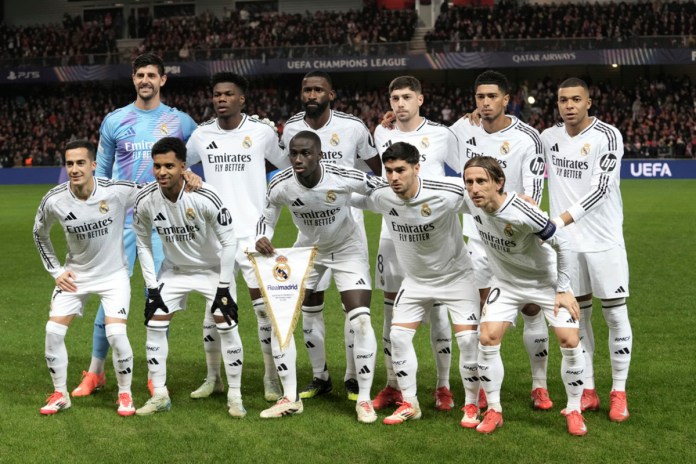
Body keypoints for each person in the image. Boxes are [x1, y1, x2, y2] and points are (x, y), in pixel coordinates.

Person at [73, 52, 198, 398]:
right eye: (139, 74)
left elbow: (198, 162)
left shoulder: (181, 123)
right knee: (111, 296)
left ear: (163, 80)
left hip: (163, 225)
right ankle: (96, 371)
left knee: (157, 296)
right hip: (121, 224)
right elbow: (101, 174)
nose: (145, 80)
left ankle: (154, 374)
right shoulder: (115, 121)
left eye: (151, 75)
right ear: (133, 79)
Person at [255, 131, 381, 423]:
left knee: (360, 319)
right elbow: (267, 214)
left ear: (319, 155)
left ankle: (363, 400)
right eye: (294, 154)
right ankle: (290, 398)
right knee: (281, 321)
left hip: (348, 248)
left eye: (306, 153)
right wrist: (262, 235)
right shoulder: (281, 183)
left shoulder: (341, 175)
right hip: (308, 251)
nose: (298, 159)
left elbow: (378, 187)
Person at [352, 142, 481, 427]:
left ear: (416, 168)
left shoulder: (446, 192)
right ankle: (410, 403)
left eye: (401, 170)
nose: (394, 177)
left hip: (456, 279)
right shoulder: (383, 195)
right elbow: (351, 196)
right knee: (397, 337)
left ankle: (471, 405)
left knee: (469, 341)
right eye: (389, 171)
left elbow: (485, 203)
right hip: (416, 282)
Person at [462, 156, 587, 436]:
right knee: (487, 337)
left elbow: (563, 244)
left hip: (545, 282)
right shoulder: (470, 201)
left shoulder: (522, 211)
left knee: (569, 340)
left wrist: (564, 289)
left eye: (481, 181)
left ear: (499, 183)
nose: (474, 188)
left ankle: (575, 409)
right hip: (506, 282)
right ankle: (494, 409)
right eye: (469, 182)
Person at [185, 71, 289, 403]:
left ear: (241, 99)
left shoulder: (261, 133)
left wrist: (268, 222)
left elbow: (286, 170)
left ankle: (271, 378)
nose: (221, 99)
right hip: (216, 236)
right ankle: (213, 377)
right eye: (216, 94)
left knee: (263, 311)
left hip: (254, 237)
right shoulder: (201, 136)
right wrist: (187, 173)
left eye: (228, 94)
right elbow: (177, 164)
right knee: (214, 311)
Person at [451, 70, 551, 410]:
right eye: (480, 97)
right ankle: (483, 388)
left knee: (532, 309)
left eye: (492, 96)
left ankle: (539, 385)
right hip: (478, 240)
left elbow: (532, 196)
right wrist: (393, 122)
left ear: (507, 99)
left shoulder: (528, 137)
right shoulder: (463, 129)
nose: (485, 103)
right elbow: (430, 140)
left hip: (517, 238)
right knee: (483, 315)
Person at [281, 71, 382, 401]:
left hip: (348, 226)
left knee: (352, 307)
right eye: (306, 89)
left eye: (318, 89)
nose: (312, 94)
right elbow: (286, 174)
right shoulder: (292, 128)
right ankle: (319, 376)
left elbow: (375, 168)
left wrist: (354, 196)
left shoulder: (352, 127)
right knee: (310, 304)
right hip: (309, 230)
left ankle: (353, 377)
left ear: (331, 94)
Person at [541, 77, 632, 422]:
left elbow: (600, 190)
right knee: (580, 317)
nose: (569, 105)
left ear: (588, 102)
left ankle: (619, 391)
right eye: (563, 99)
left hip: (603, 243)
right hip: (567, 248)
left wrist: (559, 221)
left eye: (576, 99)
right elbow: (512, 138)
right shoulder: (548, 138)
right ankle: (589, 389)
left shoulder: (607, 136)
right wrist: (479, 116)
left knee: (615, 314)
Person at [133, 137, 244, 417]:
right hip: (174, 270)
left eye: (169, 166)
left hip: (213, 270)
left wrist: (223, 288)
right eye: (157, 166)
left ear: (183, 166)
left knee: (226, 326)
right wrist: (151, 288)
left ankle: (235, 395)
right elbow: (143, 243)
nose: (162, 172)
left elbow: (230, 243)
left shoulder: (204, 195)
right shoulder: (146, 200)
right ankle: (159, 394)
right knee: (154, 324)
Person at [371, 76, 463, 412]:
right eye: (394, 97)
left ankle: (443, 386)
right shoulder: (382, 133)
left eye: (407, 97)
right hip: (393, 231)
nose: (400, 104)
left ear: (420, 99)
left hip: (434, 233)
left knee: (438, 310)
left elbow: (465, 171)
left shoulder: (442, 134)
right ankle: (393, 383)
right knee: (390, 309)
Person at [34, 140, 139, 416]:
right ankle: (60, 394)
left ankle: (125, 394)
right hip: (76, 276)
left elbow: (154, 190)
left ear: (93, 165)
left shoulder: (115, 191)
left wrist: (188, 176)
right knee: (53, 332)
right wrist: (56, 271)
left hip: (113, 276)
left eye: (81, 163)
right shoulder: (54, 199)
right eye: (69, 163)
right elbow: (39, 234)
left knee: (116, 334)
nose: (74, 169)